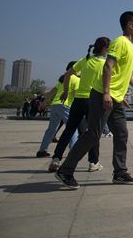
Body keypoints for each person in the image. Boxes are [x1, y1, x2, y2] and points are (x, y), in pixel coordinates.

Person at [55, 11, 133, 189]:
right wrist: (105, 93)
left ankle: (120, 172)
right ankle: (65, 170)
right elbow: (108, 66)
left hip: (117, 99)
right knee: (93, 134)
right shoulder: (120, 42)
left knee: (121, 133)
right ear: (130, 24)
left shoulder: (130, 46)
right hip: (104, 95)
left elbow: (128, 75)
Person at [48, 37, 110, 172]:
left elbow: (67, 74)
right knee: (94, 132)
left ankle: (56, 158)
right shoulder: (106, 64)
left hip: (78, 100)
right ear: (105, 49)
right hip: (92, 101)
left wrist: (65, 92)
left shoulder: (85, 60)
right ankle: (93, 162)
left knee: (69, 130)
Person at [36, 62, 80, 158]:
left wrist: (44, 103)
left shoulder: (63, 79)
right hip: (66, 105)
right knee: (72, 128)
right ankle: (72, 150)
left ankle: (42, 150)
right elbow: (74, 94)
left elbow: (52, 91)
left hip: (55, 105)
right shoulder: (76, 80)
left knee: (52, 128)